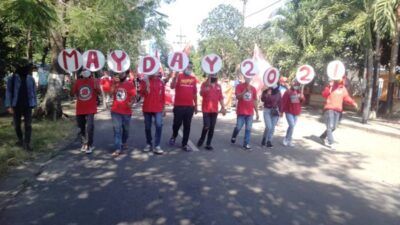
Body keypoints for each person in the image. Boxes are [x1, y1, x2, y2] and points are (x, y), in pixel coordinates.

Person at [4, 59, 37, 151]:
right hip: (16, 105)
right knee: (17, 125)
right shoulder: (12, 79)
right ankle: (20, 140)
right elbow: (9, 92)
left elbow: (33, 92)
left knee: (28, 125)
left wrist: (35, 104)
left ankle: (27, 143)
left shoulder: (31, 79)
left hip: (28, 105)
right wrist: (9, 106)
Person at [319, 79, 358, 148]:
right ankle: (331, 142)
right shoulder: (331, 86)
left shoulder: (343, 89)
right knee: (330, 126)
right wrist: (328, 87)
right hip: (329, 109)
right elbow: (324, 94)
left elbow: (346, 97)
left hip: (338, 110)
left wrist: (353, 103)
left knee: (334, 127)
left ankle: (322, 136)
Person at [169, 62, 198, 152]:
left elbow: (194, 93)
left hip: (189, 107)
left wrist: (196, 105)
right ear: (184, 67)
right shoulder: (179, 76)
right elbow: (172, 86)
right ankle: (174, 135)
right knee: (176, 124)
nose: (189, 69)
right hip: (178, 106)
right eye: (188, 67)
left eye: (191, 67)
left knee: (187, 126)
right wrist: (175, 76)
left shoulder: (193, 79)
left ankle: (184, 144)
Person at [71, 70, 101, 153]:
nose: (85, 73)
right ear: (81, 73)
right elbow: (72, 94)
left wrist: (96, 86)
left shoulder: (94, 81)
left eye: (86, 71)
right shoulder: (77, 82)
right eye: (83, 71)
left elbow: (99, 93)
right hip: (80, 108)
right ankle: (84, 143)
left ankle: (89, 145)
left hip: (91, 108)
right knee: (81, 127)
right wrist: (72, 84)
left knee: (90, 127)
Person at [110, 71, 136, 156]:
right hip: (115, 111)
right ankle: (118, 148)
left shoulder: (130, 84)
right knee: (117, 130)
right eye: (119, 73)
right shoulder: (115, 83)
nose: (121, 75)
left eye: (122, 73)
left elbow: (134, 97)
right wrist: (114, 84)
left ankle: (124, 141)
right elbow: (110, 93)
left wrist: (131, 103)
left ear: (126, 74)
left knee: (126, 130)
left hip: (126, 111)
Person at [197, 74, 226, 150]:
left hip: (214, 110)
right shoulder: (204, 84)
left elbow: (220, 97)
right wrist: (207, 85)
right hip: (206, 109)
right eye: (212, 75)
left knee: (212, 127)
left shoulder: (218, 86)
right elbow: (201, 94)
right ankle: (202, 139)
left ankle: (208, 143)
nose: (214, 77)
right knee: (207, 126)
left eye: (215, 75)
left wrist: (223, 107)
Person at [140, 72, 166, 154]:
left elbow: (163, 96)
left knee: (159, 125)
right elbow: (141, 93)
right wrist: (146, 87)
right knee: (147, 127)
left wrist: (164, 108)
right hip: (147, 107)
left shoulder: (161, 82)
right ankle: (149, 144)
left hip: (158, 108)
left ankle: (157, 145)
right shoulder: (144, 80)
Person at [230, 76, 259, 150]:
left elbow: (255, 100)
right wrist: (244, 91)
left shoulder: (253, 88)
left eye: (250, 78)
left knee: (248, 128)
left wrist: (257, 112)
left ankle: (246, 144)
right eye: (247, 77)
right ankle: (234, 135)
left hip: (250, 112)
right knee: (238, 127)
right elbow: (238, 97)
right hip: (241, 111)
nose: (248, 79)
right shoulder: (239, 86)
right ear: (244, 78)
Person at [281, 80, 304, 147]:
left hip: (296, 112)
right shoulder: (288, 92)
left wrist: (302, 97)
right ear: (292, 85)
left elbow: (302, 101)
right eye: (295, 85)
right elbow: (283, 102)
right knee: (291, 125)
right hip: (289, 111)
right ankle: (286, 139)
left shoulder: (299, 92)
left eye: (297, 85)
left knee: (292, 126)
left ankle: (289, 140)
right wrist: (281, 111)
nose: (296, 86)